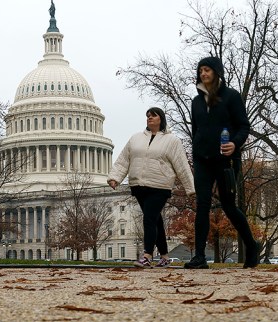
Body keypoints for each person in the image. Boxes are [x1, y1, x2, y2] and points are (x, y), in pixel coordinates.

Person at [185, 56, 261, 269]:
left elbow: (243, 126)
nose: (203, 74)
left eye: (207, 70)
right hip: (202, 160)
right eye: (201, 70)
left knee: (229, 206)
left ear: (217, 72)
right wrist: (196, 150)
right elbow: (195, 131)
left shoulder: (231, 97)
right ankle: (199, 257)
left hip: (226, 160)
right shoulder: (196, 101)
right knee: (202, 205)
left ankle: (251, 246)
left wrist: (235, 144)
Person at [108, 107, 195, 267]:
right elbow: (124, 159)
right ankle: (165, 257)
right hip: (139, 185)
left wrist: (191, 188)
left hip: (160, 186)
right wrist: (115, 177)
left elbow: (181, 165)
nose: (149, 118)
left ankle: (147, 255)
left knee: (149, 218)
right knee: (156, 220)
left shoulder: (171, 141)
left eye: (153, 116)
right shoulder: (136, 138)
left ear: (161, 119)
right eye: (147, 116)